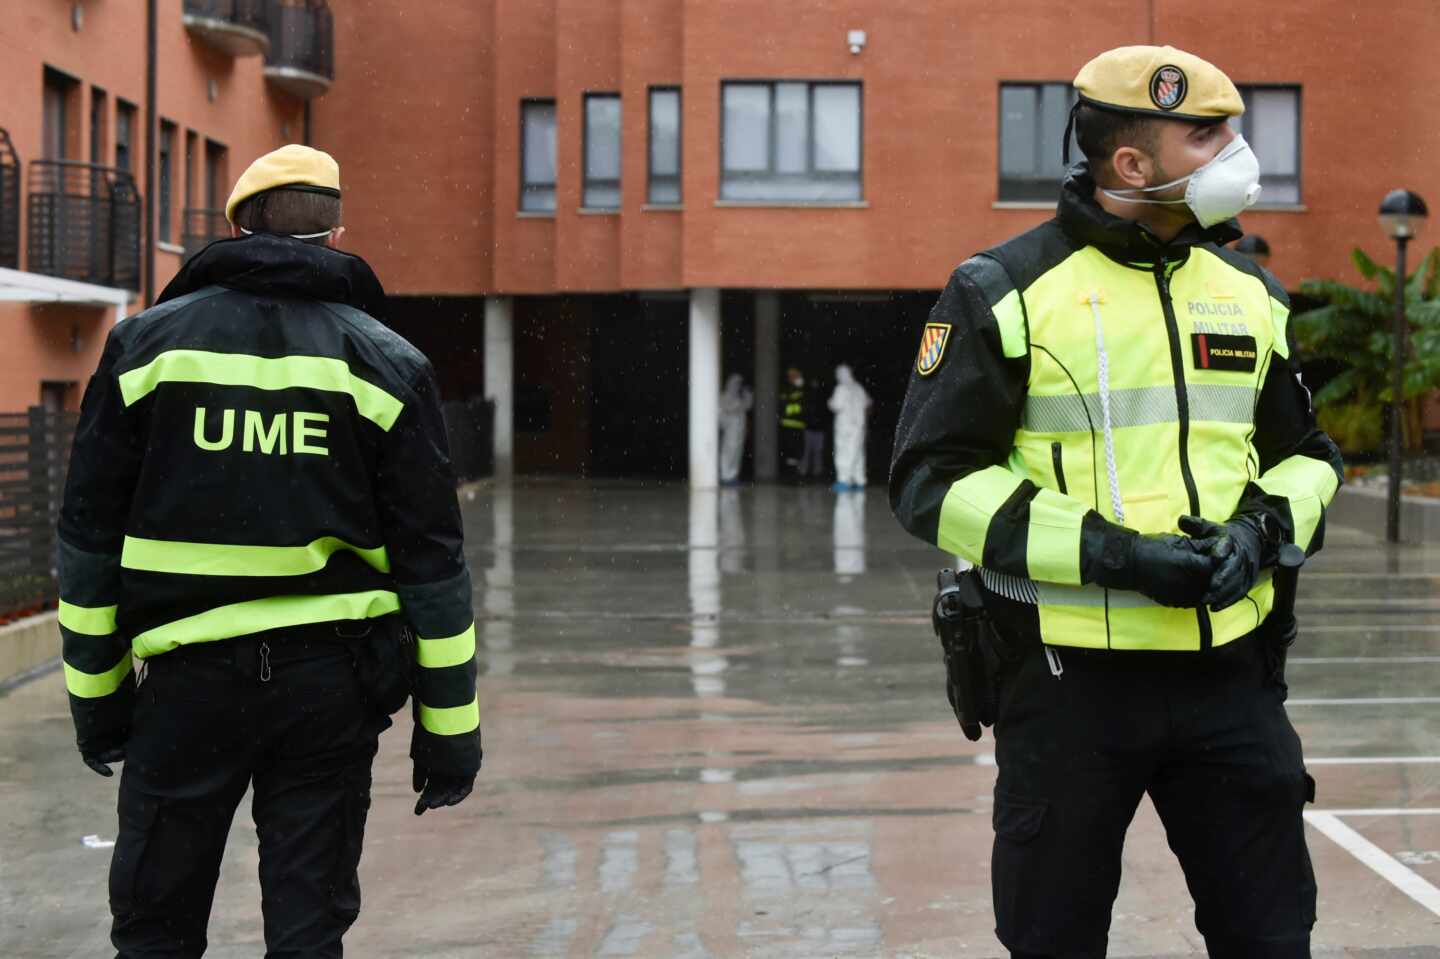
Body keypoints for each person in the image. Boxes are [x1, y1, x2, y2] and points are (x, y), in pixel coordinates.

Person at [889, 46, 1342, 959]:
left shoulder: (1251, 292)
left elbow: (1311, 459)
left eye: (1233, 130)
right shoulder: (1004, 289)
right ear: (1131, 165)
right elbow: (932, 480)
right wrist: (1114, 555)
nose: (1235, 152)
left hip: (1231, 678)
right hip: (1068, 685)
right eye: (1206, 135)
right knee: (1054, 939)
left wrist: (1258, 533)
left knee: (1273, 936)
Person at [56, 144, 483, 958]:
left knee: (154, 928)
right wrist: (449, 729)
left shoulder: (144, 351)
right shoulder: (388, 365)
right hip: (330, 690)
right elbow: (434, 570)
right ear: (334, 237)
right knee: (307, 930)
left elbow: (87, 548)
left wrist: (101, 702)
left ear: (236, 229)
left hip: (184, 695)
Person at [828, 363, 872, 492]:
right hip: (859, 427)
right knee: (858, 453)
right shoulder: (858, 388)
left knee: (844, 453)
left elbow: (836, 405)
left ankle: (844, 480)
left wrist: (830, 403)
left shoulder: (841, 388)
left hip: (845, 427)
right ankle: (859, 480)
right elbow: (868, 403)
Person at [718, 373, 753, 485]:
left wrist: (748, 394)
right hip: (730, 430)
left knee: (737, 453)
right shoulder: (724, 396)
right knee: (728, 452)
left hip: (739, 431)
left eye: (739, 384)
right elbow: (727, 410)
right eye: (736, 383)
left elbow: (748, 406)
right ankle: (725, 477)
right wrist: (740, 405)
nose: (738, 386)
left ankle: (732, 477)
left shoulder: (738, 397)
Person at [797, 370, 828, 481]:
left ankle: (817, 472)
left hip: (819, 429)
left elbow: (825, 412)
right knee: (806, 451)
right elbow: (804, 411)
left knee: (817, 452)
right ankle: (804, 471)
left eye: (816, 382)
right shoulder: (807, 396)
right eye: (813, 382)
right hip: (809, 428)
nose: (815, 384)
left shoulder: (822, 396)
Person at [780, 367, 808, 478]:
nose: (794, 377)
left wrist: (795, 408)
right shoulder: (787, 389)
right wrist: (796, 408)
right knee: (790, 452)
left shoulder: (801, 389)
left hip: (799, 425)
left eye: (795, 375)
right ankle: (790, 475)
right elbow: (784, 406)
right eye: (792, 375)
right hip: (788, 425)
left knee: (798, 451)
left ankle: (794, 474)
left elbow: (804, 406)